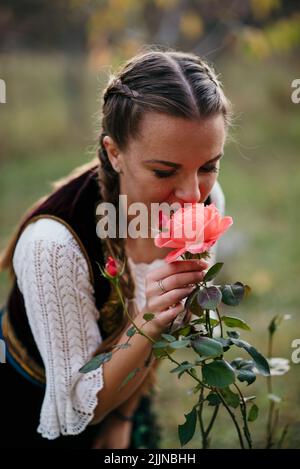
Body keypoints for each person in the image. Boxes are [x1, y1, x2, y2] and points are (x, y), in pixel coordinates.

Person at [0, 48, 231, 448]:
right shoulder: (53, 246)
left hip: (127, 387)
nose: (193, 196)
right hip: (32, 407)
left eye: (208, 166)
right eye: (164, 171)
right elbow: (74, 408)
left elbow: (168, 326)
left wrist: (123, 416)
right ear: (114, 153)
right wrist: (148, 320)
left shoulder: (206, 207)